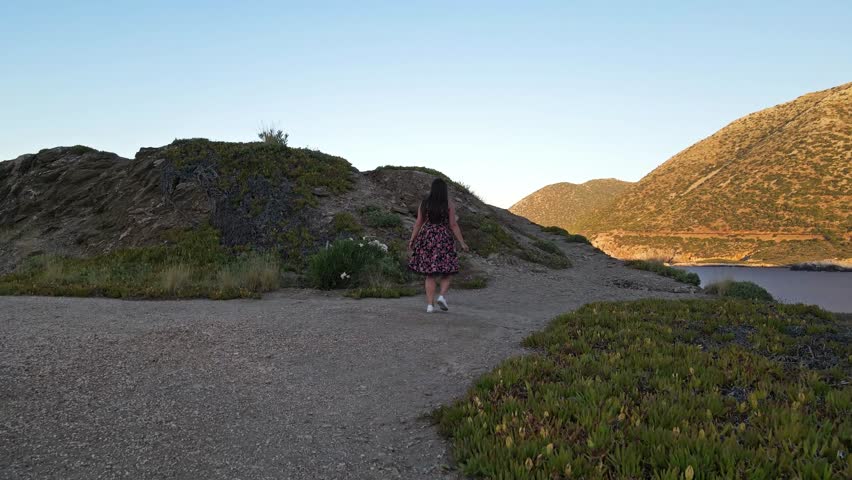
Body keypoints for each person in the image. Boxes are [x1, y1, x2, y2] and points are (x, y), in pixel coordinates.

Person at [408, 178, 469, 313]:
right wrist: (462, 242)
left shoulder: (425, 203)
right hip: (443, 237)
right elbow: (453, 225)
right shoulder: (448, 204)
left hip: (427, 237)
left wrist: (412, 239)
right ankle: (441, 296)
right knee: (448, 270)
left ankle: (430, 305)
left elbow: (418, 223)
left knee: (429, 274)